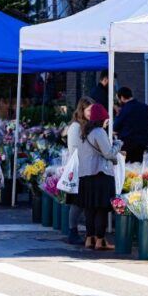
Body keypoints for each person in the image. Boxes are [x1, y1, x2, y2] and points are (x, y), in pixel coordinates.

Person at [77, 102, 121, 250]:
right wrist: (118, 144)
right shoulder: (99, 132)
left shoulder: (84, 132)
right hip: (100, 174)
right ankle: (100, 241)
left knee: (89, 209)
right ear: (101, 118)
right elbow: (108, 153)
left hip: (85, 176)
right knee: (101, 209)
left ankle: (89, 239)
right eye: (106, 119)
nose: (107, 122)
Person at [64, 96, 94, 245]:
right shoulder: (76, 127)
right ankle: (72, 232)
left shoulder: (86, 125)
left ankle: (80, 232)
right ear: (82, 110)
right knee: (77, 202)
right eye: (89, 110)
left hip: (85, 167)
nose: (91, 113)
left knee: (82, 201)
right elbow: (75, 149)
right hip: (78, 168)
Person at [113, 87, 148, 163]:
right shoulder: (144, 107)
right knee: (138, 167)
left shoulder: (124, 110)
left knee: (128, 168)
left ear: (122, 97)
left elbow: (115, 127)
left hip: (127, 144)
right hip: (142, 144)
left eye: (118, 99)